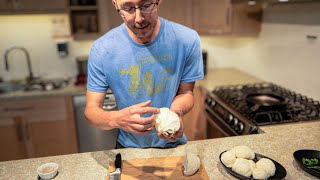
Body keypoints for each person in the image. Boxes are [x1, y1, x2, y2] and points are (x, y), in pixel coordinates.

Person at [85, 0, 204, 148]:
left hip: (173, 145)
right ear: (115, 4)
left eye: (146, 5)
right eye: (128, 8)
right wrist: (117, 119)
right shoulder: (102, 49)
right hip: (128, 148)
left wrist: (175, 112)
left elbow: (186, 93)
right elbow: (91, 111)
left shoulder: (187, 39)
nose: (139, 19)